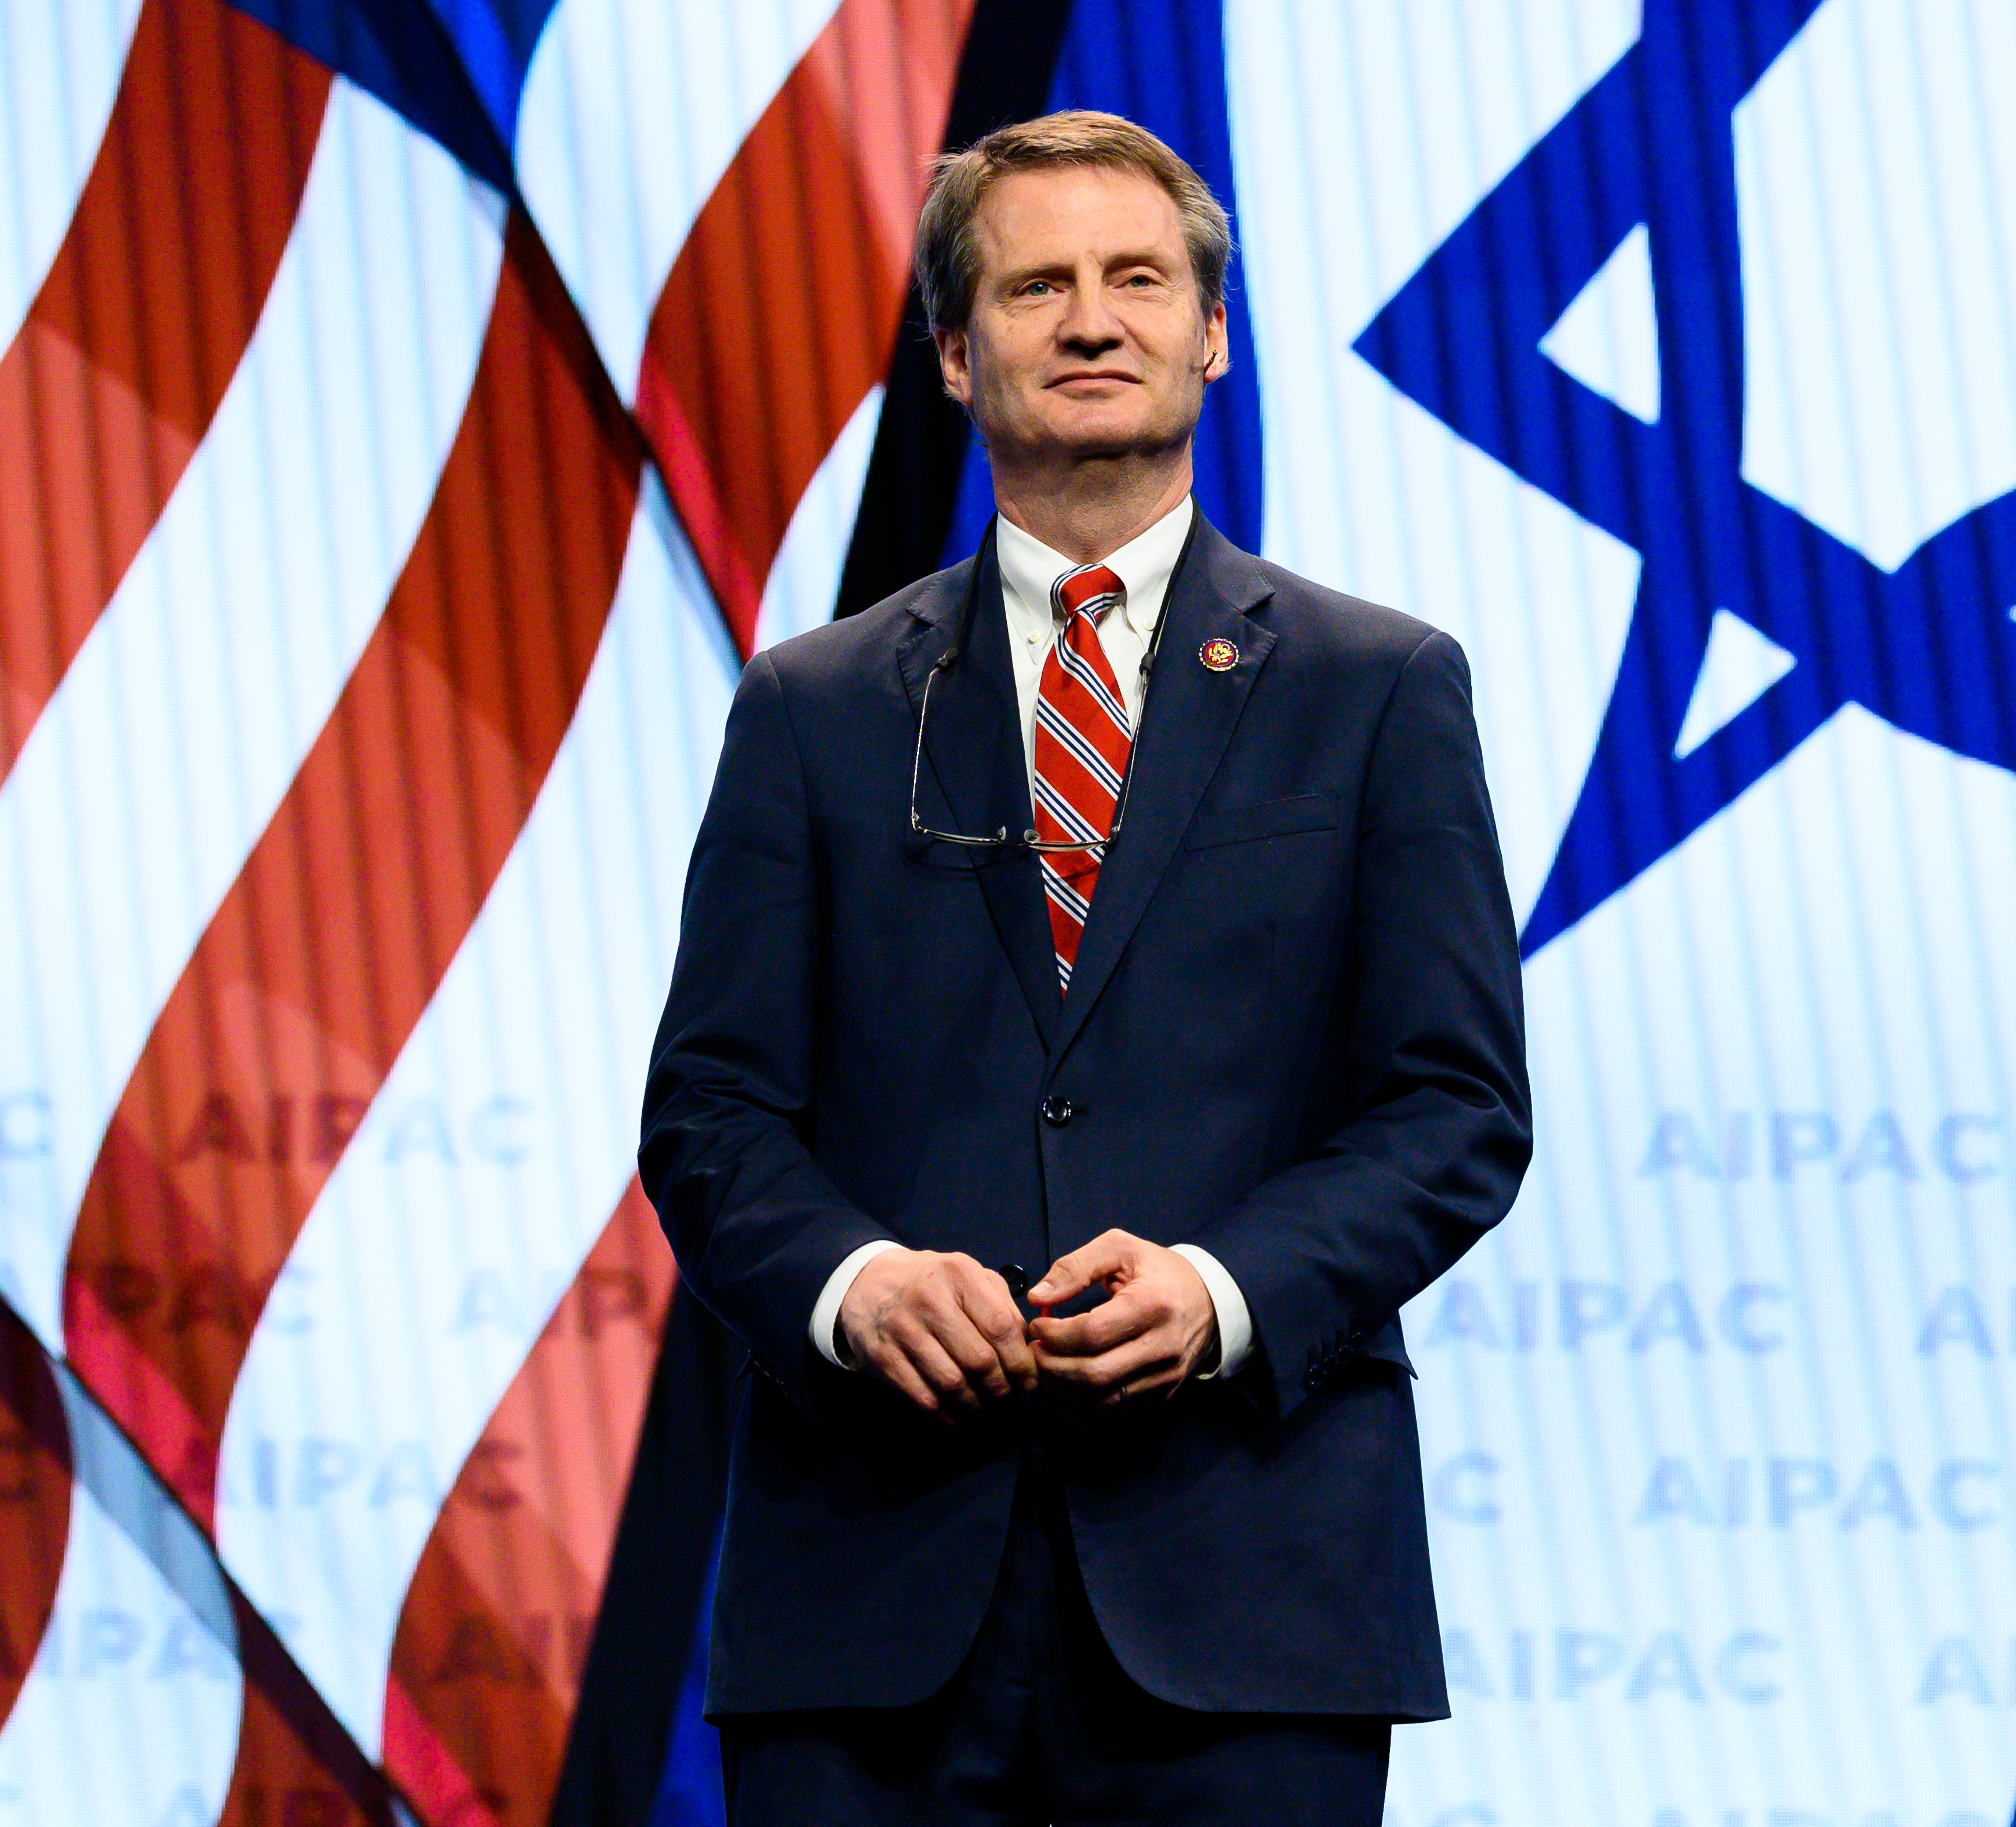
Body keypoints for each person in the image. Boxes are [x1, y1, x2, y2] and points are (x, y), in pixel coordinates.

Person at [641, 108, 1530, 1825]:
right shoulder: (816, 710)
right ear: (958, 355)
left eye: (1136, 279)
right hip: (874, 1593)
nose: (1092, 319)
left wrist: (1220, 1290)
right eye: (1035, 285)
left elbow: (1452, 1109)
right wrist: (855, 1284)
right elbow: (710, 1112)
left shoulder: (1378, 689)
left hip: (1247, 1593)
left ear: (1210, 333)